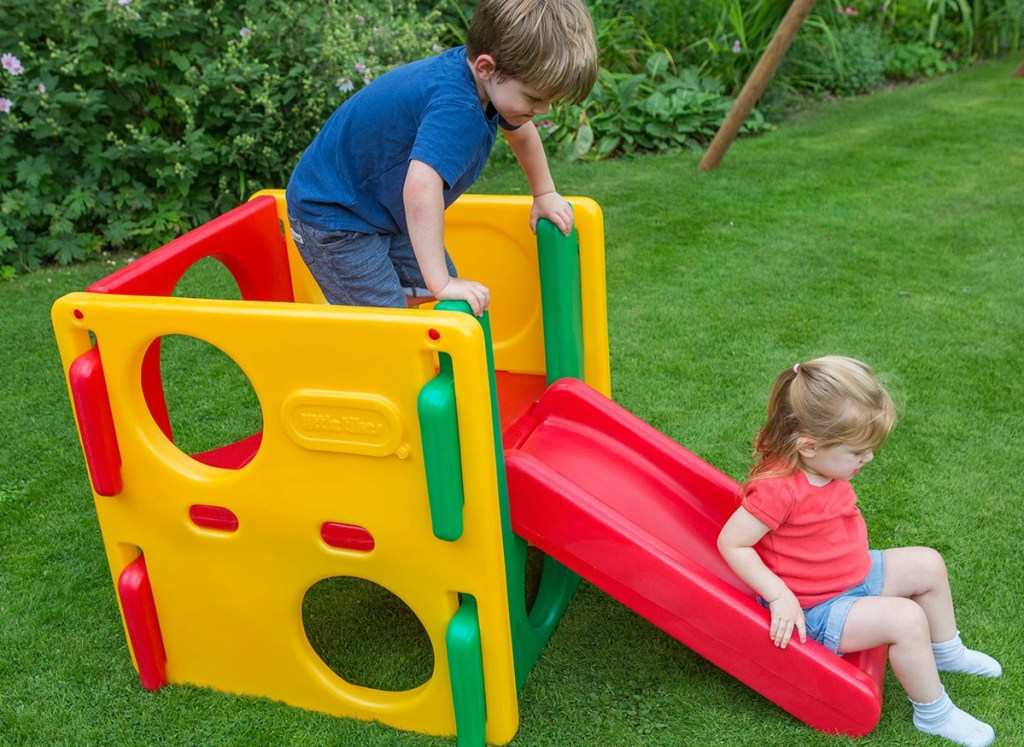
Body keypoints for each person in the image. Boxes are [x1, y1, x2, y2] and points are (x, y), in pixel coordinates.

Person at [718, 356, 1001, 747]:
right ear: (809, 446)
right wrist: (779, 595)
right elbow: (732, 542)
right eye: (857, 452)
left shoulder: (826, 467)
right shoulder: (778, 488)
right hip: (816, 607)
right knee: (905, 619)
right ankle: (934, 714)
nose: (868, 459)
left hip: (854, 574)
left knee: (928, 563)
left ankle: (946, 652)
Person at [284, 0, 598, 317]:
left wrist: (543, 193)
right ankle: (374, 353)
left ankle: (392, 344)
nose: (542, 110)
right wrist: (441, 282)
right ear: (486, 67)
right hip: (336, 218)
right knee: (390, 323)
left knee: (444, 300)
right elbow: (421, 186)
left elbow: (523, 133)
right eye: (534, 98)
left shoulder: (484, 83)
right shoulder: (457, 107)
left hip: (381, 212)